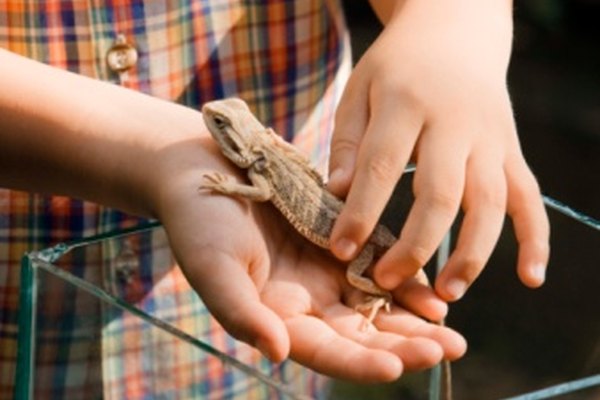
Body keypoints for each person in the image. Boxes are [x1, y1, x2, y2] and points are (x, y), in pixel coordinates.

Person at [0, 0, 548, 398]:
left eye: (219, 125)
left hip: (282, 314)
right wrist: (176, 161)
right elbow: (263, 185)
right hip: (33, 328)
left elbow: (261, 189)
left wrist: (454, 20)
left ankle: (378, 297)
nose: (212, 124)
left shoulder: (259, 159)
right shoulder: (260, 156)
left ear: (237, 138)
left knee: (366, 282)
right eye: (214, 124)